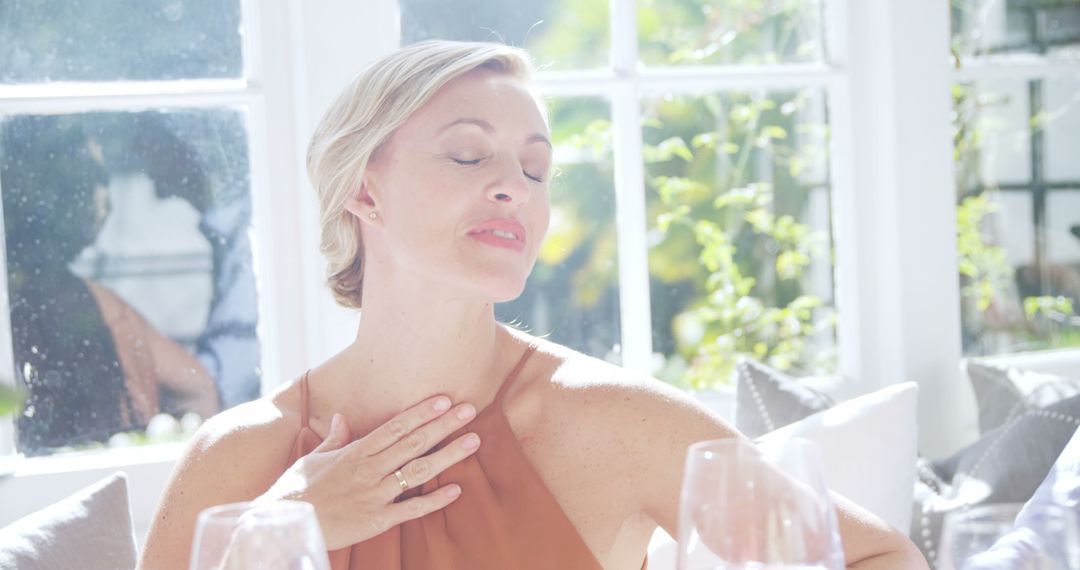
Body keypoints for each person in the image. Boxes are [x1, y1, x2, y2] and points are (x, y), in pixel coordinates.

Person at [139, 41, 929, 569]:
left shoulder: (614, 424)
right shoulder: (239, 460)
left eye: (536, 168)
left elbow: (879, 556)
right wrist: (281, 534)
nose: (514, 186)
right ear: (363, 190)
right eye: (467, 152)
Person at [1, 115, 219, 454]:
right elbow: (199, 389)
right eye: (96, 178)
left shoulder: (79, 301)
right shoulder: (96, 304)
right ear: (59, 188)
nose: (108, 196)